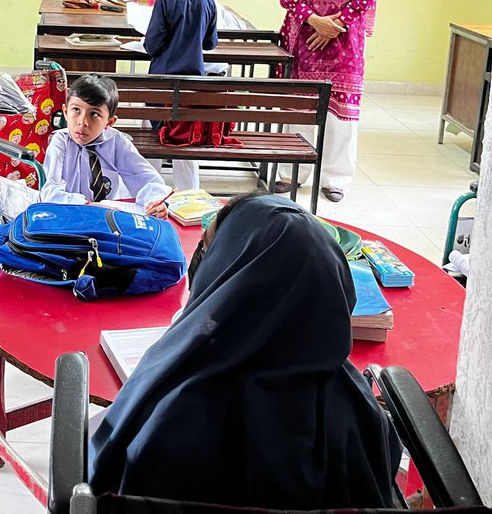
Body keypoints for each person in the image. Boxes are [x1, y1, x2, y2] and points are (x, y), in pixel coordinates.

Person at [89, 192, 402, 508]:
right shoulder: (366, 418)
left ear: (230, 282)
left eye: (212, 253)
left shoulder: (172, 421)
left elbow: (104, 479)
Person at [278, 0, 380, 202]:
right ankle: (289, 171)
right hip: (304, 38)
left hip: (344, 42)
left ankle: (335, 179)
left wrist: (335, 25)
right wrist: (314, 20)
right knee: (300, 106)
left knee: (341, 113)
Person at [143, 0, 218, 190]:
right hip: (191, 89)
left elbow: (151, 45)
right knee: (185, 141)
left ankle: (152, 190)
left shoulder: (164, 1)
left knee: (152, 133)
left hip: (160, 89)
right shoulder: (208, 1)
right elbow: (209, 43)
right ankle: (189, 196)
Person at [40, 74, 171, 217]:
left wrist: (156, 201)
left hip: (110, 219)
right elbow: (50, 192)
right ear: (65, 112)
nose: (83, 122)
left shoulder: (117, 142)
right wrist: (87, 205)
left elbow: (147, 179)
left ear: (110, 122)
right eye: (76, 110)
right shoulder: (60, 142)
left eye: (94, 114)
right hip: (69, 216)